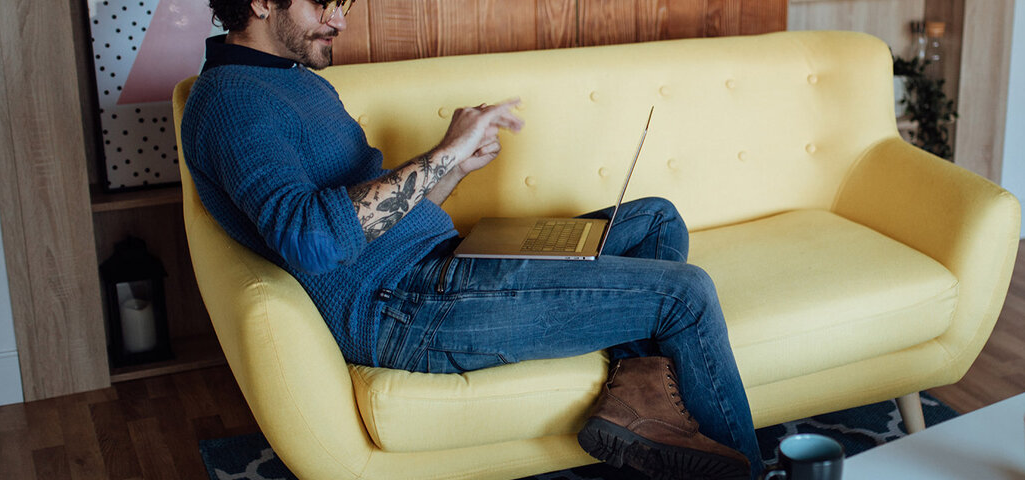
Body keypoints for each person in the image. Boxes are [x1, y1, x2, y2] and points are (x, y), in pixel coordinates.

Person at [182, 1, 762, 478]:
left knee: (656, 219)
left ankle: (638, 399)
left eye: (344, 4)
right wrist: (444, 152)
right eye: (323, 4)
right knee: (686, 295)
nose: (340, 20)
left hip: (437, 265)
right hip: (403, 308)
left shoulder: (294, 82)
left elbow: (383, 219)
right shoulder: (231, 101)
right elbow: (310, 240)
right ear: (261, 3)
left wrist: (455, 168)